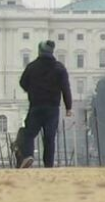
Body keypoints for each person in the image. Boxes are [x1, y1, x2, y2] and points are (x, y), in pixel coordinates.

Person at [19, 40, 73, 168]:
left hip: (36, 105)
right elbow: (65, 88)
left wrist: (31, 90)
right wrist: (68, 107)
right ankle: (48, 165)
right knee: (49, 138)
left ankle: (28, 155)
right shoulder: (59, 68)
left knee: (28, 133)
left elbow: (22, 82)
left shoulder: (32, 67)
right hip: (52, 107)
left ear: (39, 51)